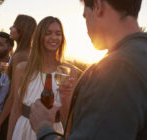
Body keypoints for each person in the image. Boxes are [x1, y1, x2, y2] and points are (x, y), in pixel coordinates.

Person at [29, 0, 147, 139]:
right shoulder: (140, 53)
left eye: (85, 16)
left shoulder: (118, 70)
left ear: (98, 6)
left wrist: (43, 127)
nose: (86, 27)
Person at [7, 16, 77, 140]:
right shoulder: (22, 68)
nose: (54, 38)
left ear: (62, 38)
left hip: (52, 132)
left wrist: (66, 98)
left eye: (58, 34)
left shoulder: (68, 72)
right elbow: (16, 109)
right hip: (23, 130)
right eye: (48, 33)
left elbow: (67, 117)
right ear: (39, 36)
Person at [0, 14, 37, 140]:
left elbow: (13, 97)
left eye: (14, 26)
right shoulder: (30, 52)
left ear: (22, 30)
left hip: (14, 115)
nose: (10, 28)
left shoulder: (20, 56)